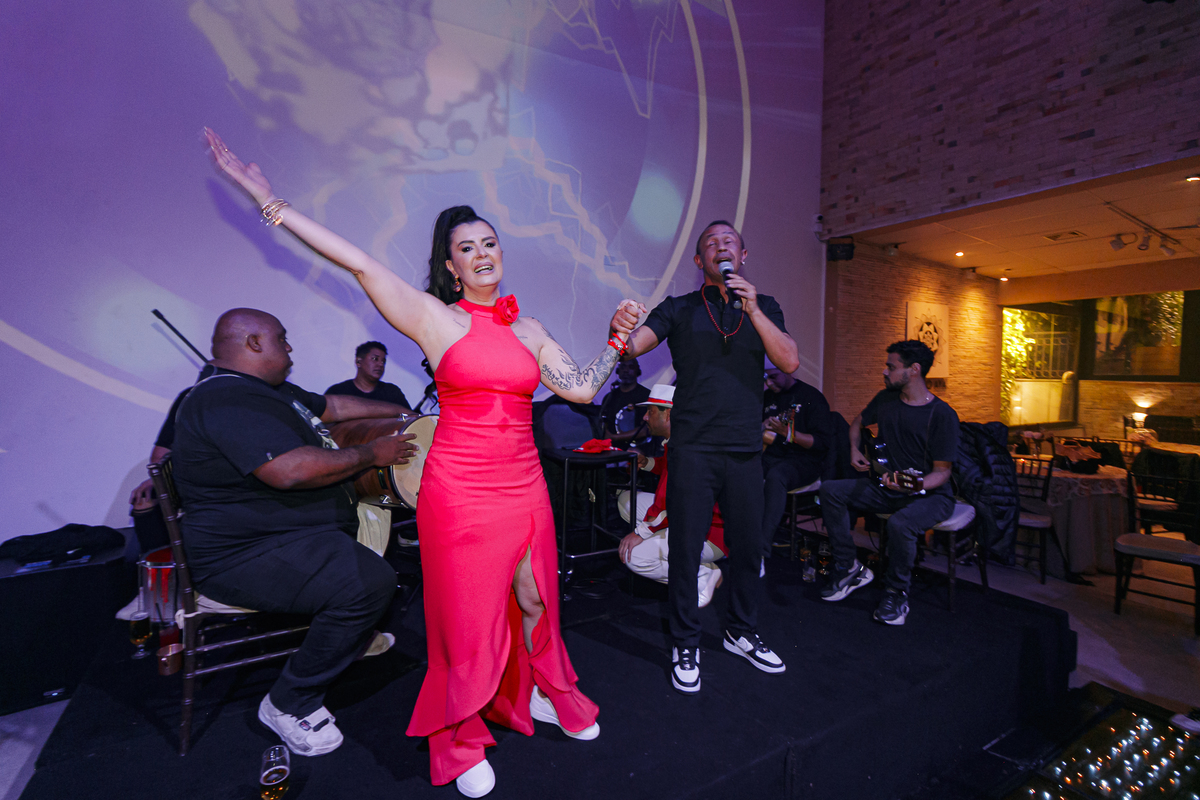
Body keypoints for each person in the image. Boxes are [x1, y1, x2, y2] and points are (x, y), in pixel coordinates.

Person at [205, 129, 642, 798]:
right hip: (460, 490)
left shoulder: (529, 329)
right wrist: (268, 200)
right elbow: (358, 262)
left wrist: (615, 340)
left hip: (524, 486)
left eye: (490, 243)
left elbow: (581, 388)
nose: (483, 253)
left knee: (535, 597)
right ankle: (460, 737)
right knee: (466, 620)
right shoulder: (437, 320)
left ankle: (542, 691)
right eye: (468, 248)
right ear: (452, 265)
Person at [172, 308, 418, 756]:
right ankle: (289, 701)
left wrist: (404, 412)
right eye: (282, 339)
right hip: (245, 553)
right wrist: (372, 452)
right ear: (253, 343)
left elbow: (335, 407)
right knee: (367, 583)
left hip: (291, 535)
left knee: (376, 539)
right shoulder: (223, 398)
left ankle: (347, 638)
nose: (289, 348)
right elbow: (289, 470)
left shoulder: (271, 391)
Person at [622, 220, 800, 695]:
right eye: (711, 243)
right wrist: (620, 332)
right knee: (684, 551)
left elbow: (789, 361)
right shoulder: (679, 308)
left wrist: (753, 308)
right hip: (693, 449)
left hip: (744, 451)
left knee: (748, 549)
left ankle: (741, 632)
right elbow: (634, 345)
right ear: (699, 260)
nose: (721, 246)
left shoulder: (765, 306)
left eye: (729, 241)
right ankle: (685, 642)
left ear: (743, 256)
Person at [817, 340, 960, 626]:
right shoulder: (886, 399)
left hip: (932, 495)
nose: (885, 371)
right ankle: (848, 567)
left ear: (914, 369)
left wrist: (914, 485)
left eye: (891, 367)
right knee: (830, 490)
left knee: (900, 524)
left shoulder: (942, 415)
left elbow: (942, 473)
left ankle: (896, 593)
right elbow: (857, 422)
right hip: (889, 489)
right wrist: (854, 449)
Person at [615, 384, 726, 609]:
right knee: (626, 501)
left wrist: (641, 533)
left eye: (651, 411)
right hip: (692, 519)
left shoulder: (685, 450)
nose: (645, 417)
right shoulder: (682, 439)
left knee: (633, 556)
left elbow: (670, 502)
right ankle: (678, 554)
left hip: (711, 535)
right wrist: (648, 463)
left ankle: (701, 574)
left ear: (668, 414)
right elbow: (667, 473)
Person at [760, 367, 833, 558]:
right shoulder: (767, 397)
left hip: (806, 460)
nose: (769, 383)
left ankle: (761, 547)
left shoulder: (811, 397)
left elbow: (821, 443)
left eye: (773, 377)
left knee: (777, 476)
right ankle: (735, 536)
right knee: (742, 469)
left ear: (787, 370)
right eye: (766, 378)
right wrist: (762, 426)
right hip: (773, 455)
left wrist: (788, 433)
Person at [325, 341, 413, 410]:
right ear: (358, 362)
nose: (380, 364)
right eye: (375, 359)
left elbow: (409, 420)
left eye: (383, 361)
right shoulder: (337, 392)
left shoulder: (392, 392)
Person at [599, 358, 651, 444]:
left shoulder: (646, 396)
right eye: (623, 367)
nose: (626, 370)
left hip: (639, 448)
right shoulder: (609, 397)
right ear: (618, 371)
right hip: (613, 448)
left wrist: (614, 437)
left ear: (637, 371)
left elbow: (647, 429)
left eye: (631, 367)